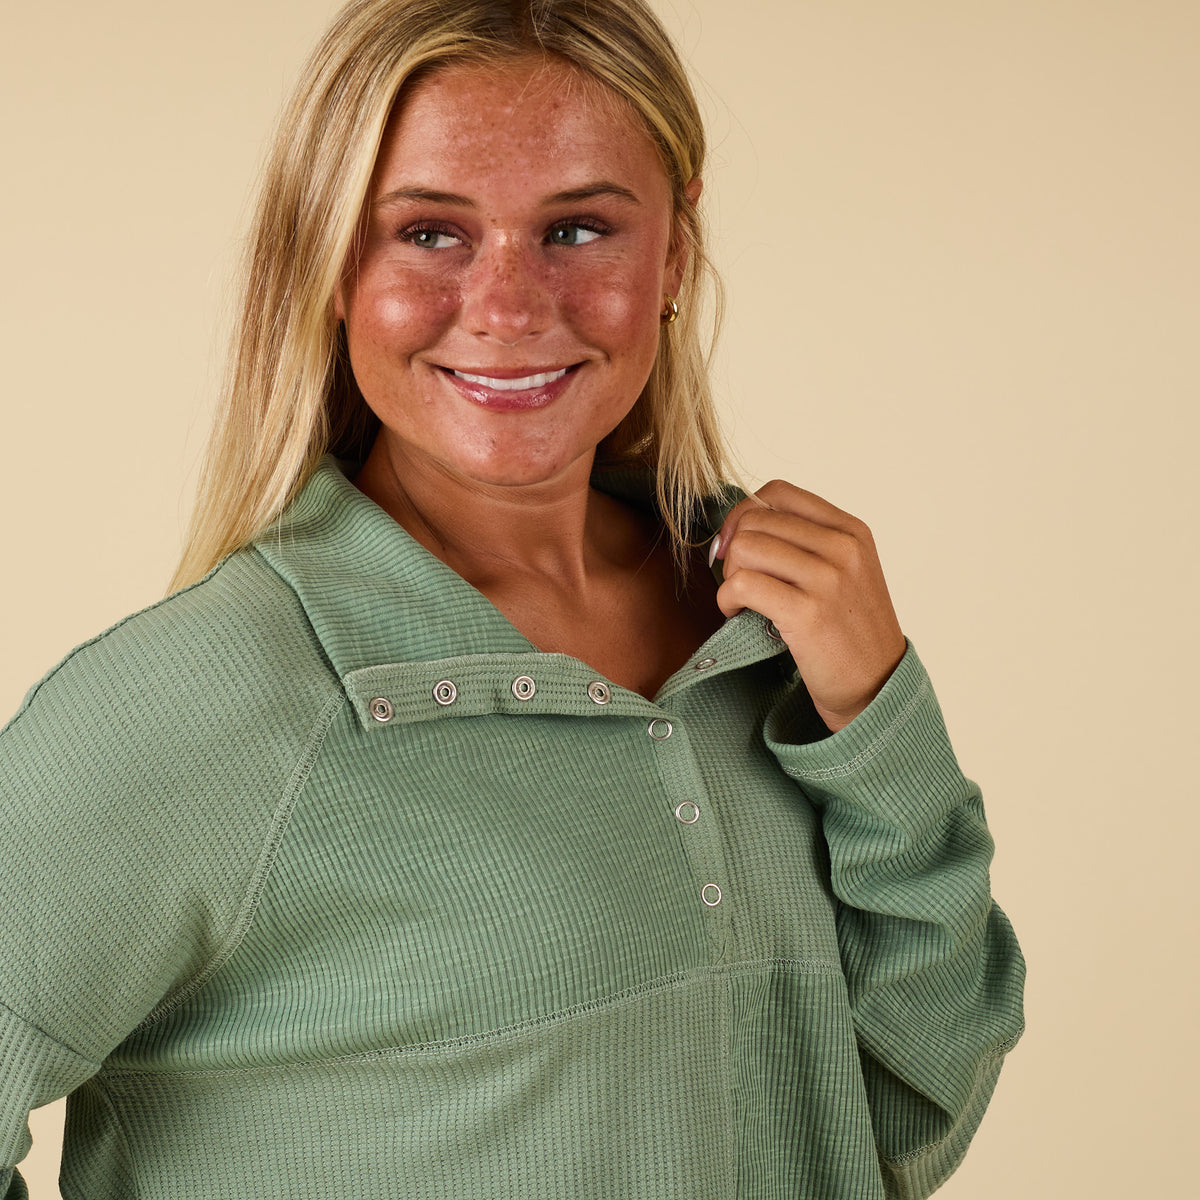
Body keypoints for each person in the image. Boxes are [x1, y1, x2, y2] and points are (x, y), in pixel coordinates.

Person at [0, 1, 1024, 1196]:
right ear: (331, 262)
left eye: (578, 227)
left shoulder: (776, 637)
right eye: (430, 233)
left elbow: (901, 1125)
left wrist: (875, 716)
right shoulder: (209, 700)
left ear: (675, 254)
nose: (507, 305)